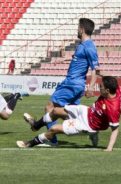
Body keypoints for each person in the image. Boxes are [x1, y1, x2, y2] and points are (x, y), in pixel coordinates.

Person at [28, 18, 100, 146]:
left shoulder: (89, 46)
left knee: (49, 108)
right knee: (66, 114)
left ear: (82, 29)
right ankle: (91, 131)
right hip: (75, 84)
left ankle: (52, 140)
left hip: (71, 84)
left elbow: (95, 69)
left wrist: (91, 88)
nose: (77, 30)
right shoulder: (84, 45)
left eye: (78, 27)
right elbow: (80, 60)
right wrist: (69, 59)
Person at [18, 76, 121, 151]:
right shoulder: (115, 89)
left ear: (107, 90)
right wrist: (101, 73)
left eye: (101, 86)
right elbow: (112, 81)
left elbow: (115, 129)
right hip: (86, 111)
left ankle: (30, 143)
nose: (99, 87)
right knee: (55, 110)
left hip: (87, 124)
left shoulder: (113, 108)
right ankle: (36, 125)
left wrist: (109, 148)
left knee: (53, 129)